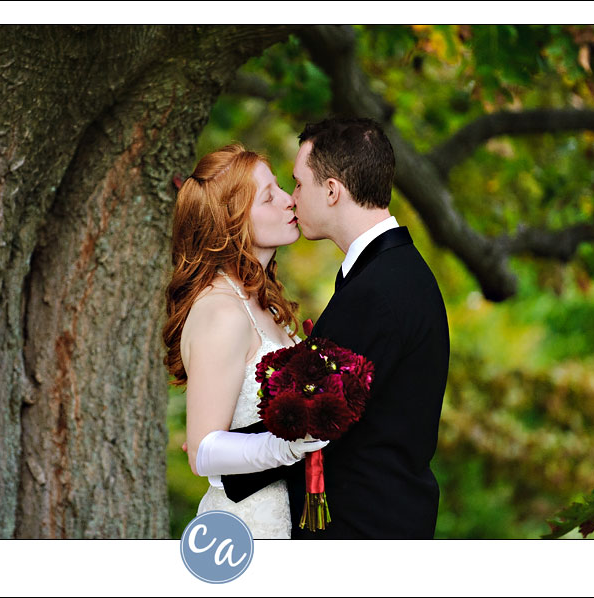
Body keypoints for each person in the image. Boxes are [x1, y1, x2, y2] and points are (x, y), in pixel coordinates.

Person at [221, 117, 450, 539]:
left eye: (298, 184)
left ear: (331, 191)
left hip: (364, 530)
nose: (292, 199)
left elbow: (316, 414)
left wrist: (220, 457)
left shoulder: (381, 288)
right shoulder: (390, 273)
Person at [163, 144, 328, 539]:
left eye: (281, 188)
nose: (290, 200)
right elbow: (202, 451)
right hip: (246, 526)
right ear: (231, 223)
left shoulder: (264, 305)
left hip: (288, 512)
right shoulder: (221, 311)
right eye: (270, 197)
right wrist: (288, 446)